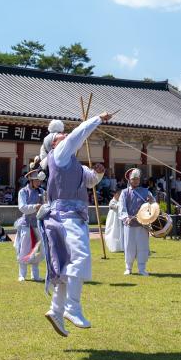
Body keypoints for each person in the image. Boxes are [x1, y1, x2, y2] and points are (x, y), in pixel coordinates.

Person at [39, 111, 110, 337]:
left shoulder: (73, 163)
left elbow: (90, 181)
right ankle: (73, 307)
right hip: (66, 218)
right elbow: (77, 135)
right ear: (54, 144)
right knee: (80, 257)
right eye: (61, 135)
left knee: (66, 268)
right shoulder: (59, 154)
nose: (65, 135)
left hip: (68, 218)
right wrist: (98, 118)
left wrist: (98, 174)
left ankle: (56, 310)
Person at [118, 168, 157, 276]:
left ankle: (142, 268)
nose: (135, 181)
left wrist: (151, 201)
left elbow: (153, 205)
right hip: (129, 224)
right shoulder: (124, 193)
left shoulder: (146, 191)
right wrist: (126, 218)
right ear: (129, 180)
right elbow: (122, 207)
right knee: (129, 246)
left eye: (137, 179)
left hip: (143, 224)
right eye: (133, 179)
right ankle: (128, 268)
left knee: (142, 246)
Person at [14, 170, 45, 281]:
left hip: (39, 224)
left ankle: (35, 275)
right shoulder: (23, 192)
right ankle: (22, 274)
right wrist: (35, 207)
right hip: (27, 225)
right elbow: (22, 207)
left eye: (40, 180)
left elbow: (47, 205)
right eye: (37, 180)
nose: (39, 182)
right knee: (25, 249)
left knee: (39, 250)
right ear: (31, 180)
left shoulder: (42, 191)